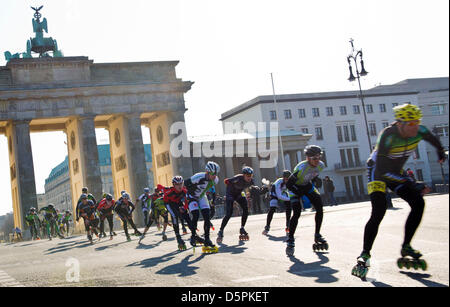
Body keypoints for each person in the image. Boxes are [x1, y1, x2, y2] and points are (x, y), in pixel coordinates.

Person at [352, 104, 447, 278]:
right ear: (400, 123)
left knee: (418, 203)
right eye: (411, 123)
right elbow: (382, 170)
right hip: (378, 171)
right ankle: (365, 253)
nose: (415, 127)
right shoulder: (388, 136)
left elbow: (434, 140)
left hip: (396, 171)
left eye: (417, 122)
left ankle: (406, 246)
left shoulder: (420, 130)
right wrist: (412, 183)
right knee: (379, 211)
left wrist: (440, 152)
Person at [285, 145, 327, 256]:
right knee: (297, 212)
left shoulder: (321, 166)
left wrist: (316, 180)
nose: (317, 161)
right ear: (308, 158)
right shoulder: (301, 167)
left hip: (306, 186)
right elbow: (289, 184)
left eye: (319, 157)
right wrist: (300, 194)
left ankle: (317, 234)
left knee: (319, 207)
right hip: (294, 188)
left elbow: (311, 177)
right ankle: (290, 238)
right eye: (314, 158)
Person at [184, 162, 220, 252]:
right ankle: (193, 236)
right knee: (195, 215)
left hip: (201, 196)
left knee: (207, 217)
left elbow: (212, 191)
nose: (214, 176)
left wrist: (212, 201)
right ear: (207, 172)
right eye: (212, 174)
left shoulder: (215, 180)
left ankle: (207, 239)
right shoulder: (198, 177)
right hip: (191, 196)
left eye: (216, 174)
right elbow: (184, 184)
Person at [217, 166, 255, 243]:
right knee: (229, 213)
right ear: (243, 175)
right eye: (248, 176)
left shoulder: (251, 181)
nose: (249, 178)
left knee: (245, 209)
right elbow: (226, 181)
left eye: (251, 176)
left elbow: (247, 189)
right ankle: (221, 230)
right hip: (230, 194)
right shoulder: (238, 178)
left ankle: (242, 228)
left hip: (238, 194)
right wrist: (228, 195)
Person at [263, 170, 292, 236]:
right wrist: (290, 199)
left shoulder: (291, 181)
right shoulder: (279, 182)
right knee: (272, 209)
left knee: (289, 206)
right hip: (275, 194)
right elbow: (279, 196)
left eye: (289, 179)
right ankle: (267, 226)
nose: (287, 180)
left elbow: (292, 191)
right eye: (286, 179)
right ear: (283, 177)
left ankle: (288, 224)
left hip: (283, 193)